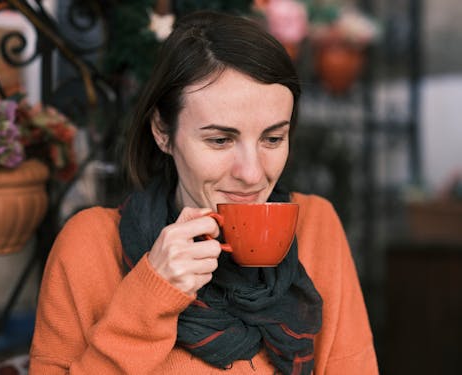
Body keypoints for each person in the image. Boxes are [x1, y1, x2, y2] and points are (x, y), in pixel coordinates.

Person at [29, 10, 379, 375]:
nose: (252, 173)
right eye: (220, 140)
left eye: (273, 138)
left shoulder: (314, 226)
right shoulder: (91, 246)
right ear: (163, 132)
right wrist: (151, 295)